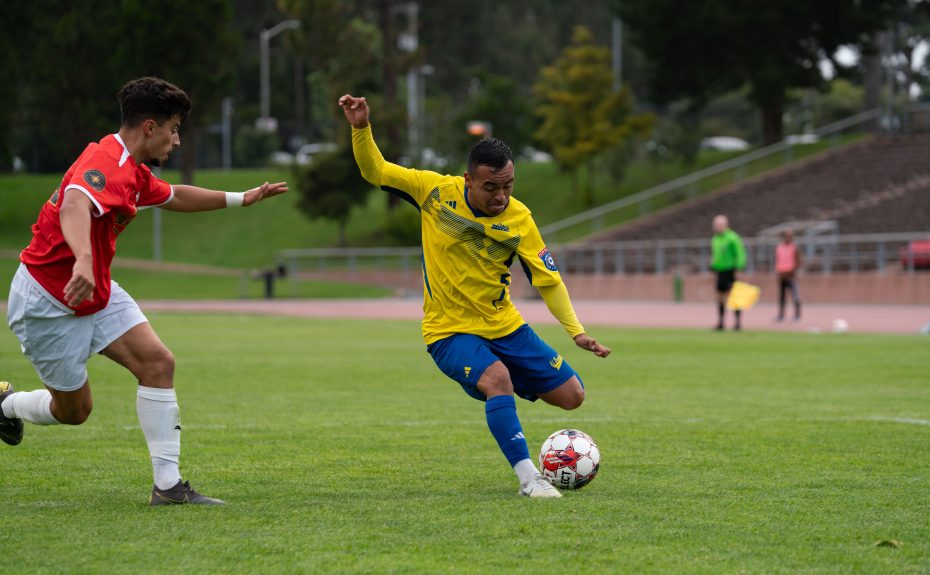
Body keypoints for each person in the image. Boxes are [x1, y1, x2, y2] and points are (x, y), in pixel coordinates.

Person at [0, 77, 288, 506]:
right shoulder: (106, 161)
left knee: (158, 363)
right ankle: (6, 406)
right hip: (48, 301)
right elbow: (76, 202)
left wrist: (241, 197)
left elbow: (174, 197)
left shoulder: (134, 171)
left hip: (93, 289)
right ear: (149, 127)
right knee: (74, 413)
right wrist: (82, 257)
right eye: (173, 129)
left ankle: (168, 488)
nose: (176, 140)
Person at [339, 93, 611, 499]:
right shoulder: (433, 192)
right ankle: (529, 479)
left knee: (573, 396)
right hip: (448, 331)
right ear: (468, 180)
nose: (500, 196)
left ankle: (502, 378)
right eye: (490, 188)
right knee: (497, 379)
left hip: (504, 325)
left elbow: (548, 280)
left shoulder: (519, 219)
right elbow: (375, 170)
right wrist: (361, 128)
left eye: (508, 186)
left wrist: (576, 332)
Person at [710, 214, 746, 331]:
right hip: (720, 271)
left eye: (720, 224)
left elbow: (740, 253)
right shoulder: (715, 239)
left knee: (734, 296)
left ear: (726, 225)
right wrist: (713, 266)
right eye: (716, 224)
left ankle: (737, 323)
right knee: (720, 297)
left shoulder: (732, 237)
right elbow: (716, 255)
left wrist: (739, 268)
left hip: (731, 269)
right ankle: (721, 322)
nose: (718, 226)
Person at [774, 229, 802, 321]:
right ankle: (781, 315)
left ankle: (797, 315)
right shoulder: (779, 247)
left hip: (791, 274)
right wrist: (778, 272)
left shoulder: (795, 247)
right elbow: (778, 260)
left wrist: (794, 271)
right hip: (782, 274)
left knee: (795, 295)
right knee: (782, 296)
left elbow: (799, 261)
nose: (789, 238)